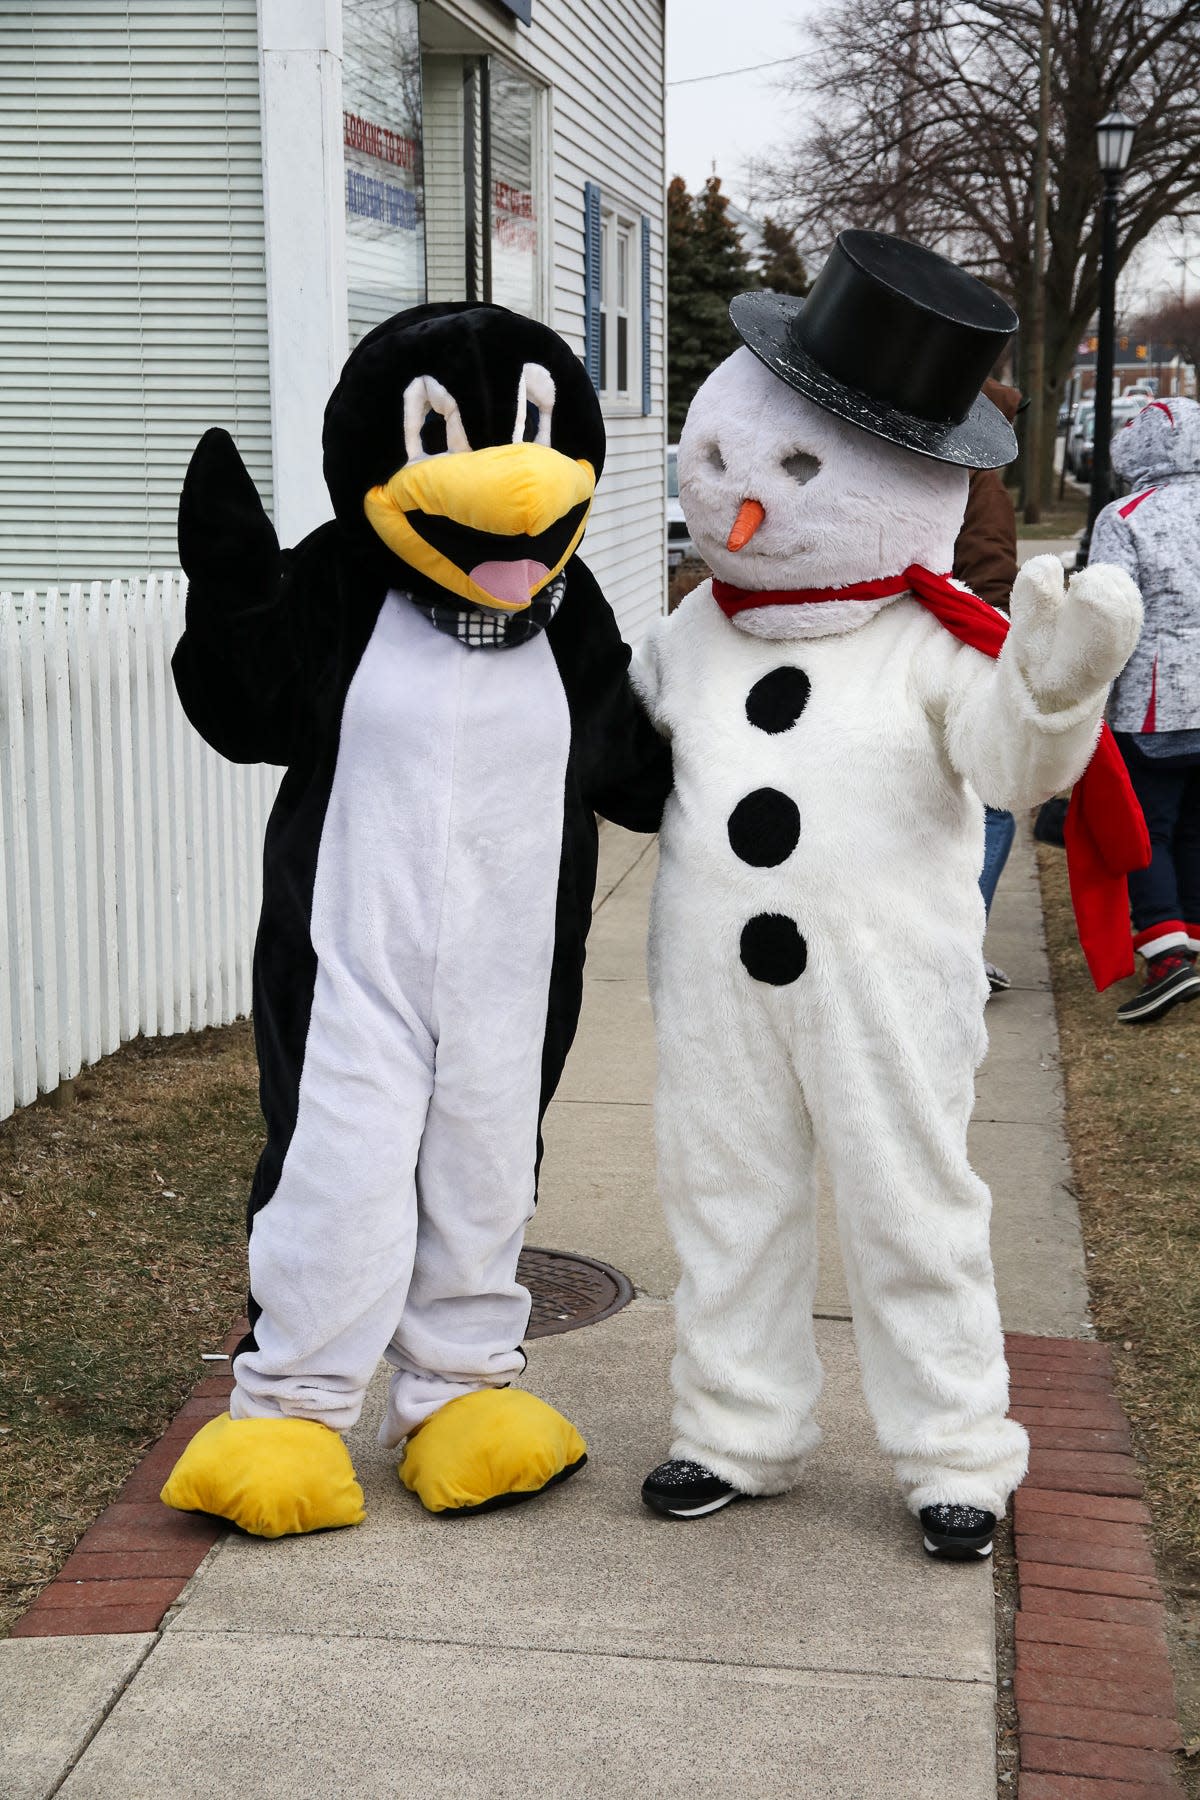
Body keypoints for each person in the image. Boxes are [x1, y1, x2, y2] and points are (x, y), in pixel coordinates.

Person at [1091, 396, 1200, 1024]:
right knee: (1194, 825)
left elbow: (1110, 614)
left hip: (1154, 700)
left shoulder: (1127, 515)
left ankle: (1164, 952)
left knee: (1147, 827)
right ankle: (1189, 935)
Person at [952, 377, 1023, 992]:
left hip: (906, 648)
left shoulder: (916, 458)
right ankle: (957, 948)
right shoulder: (981, 482)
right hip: (962, 652)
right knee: (991, 806)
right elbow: (991, 570)